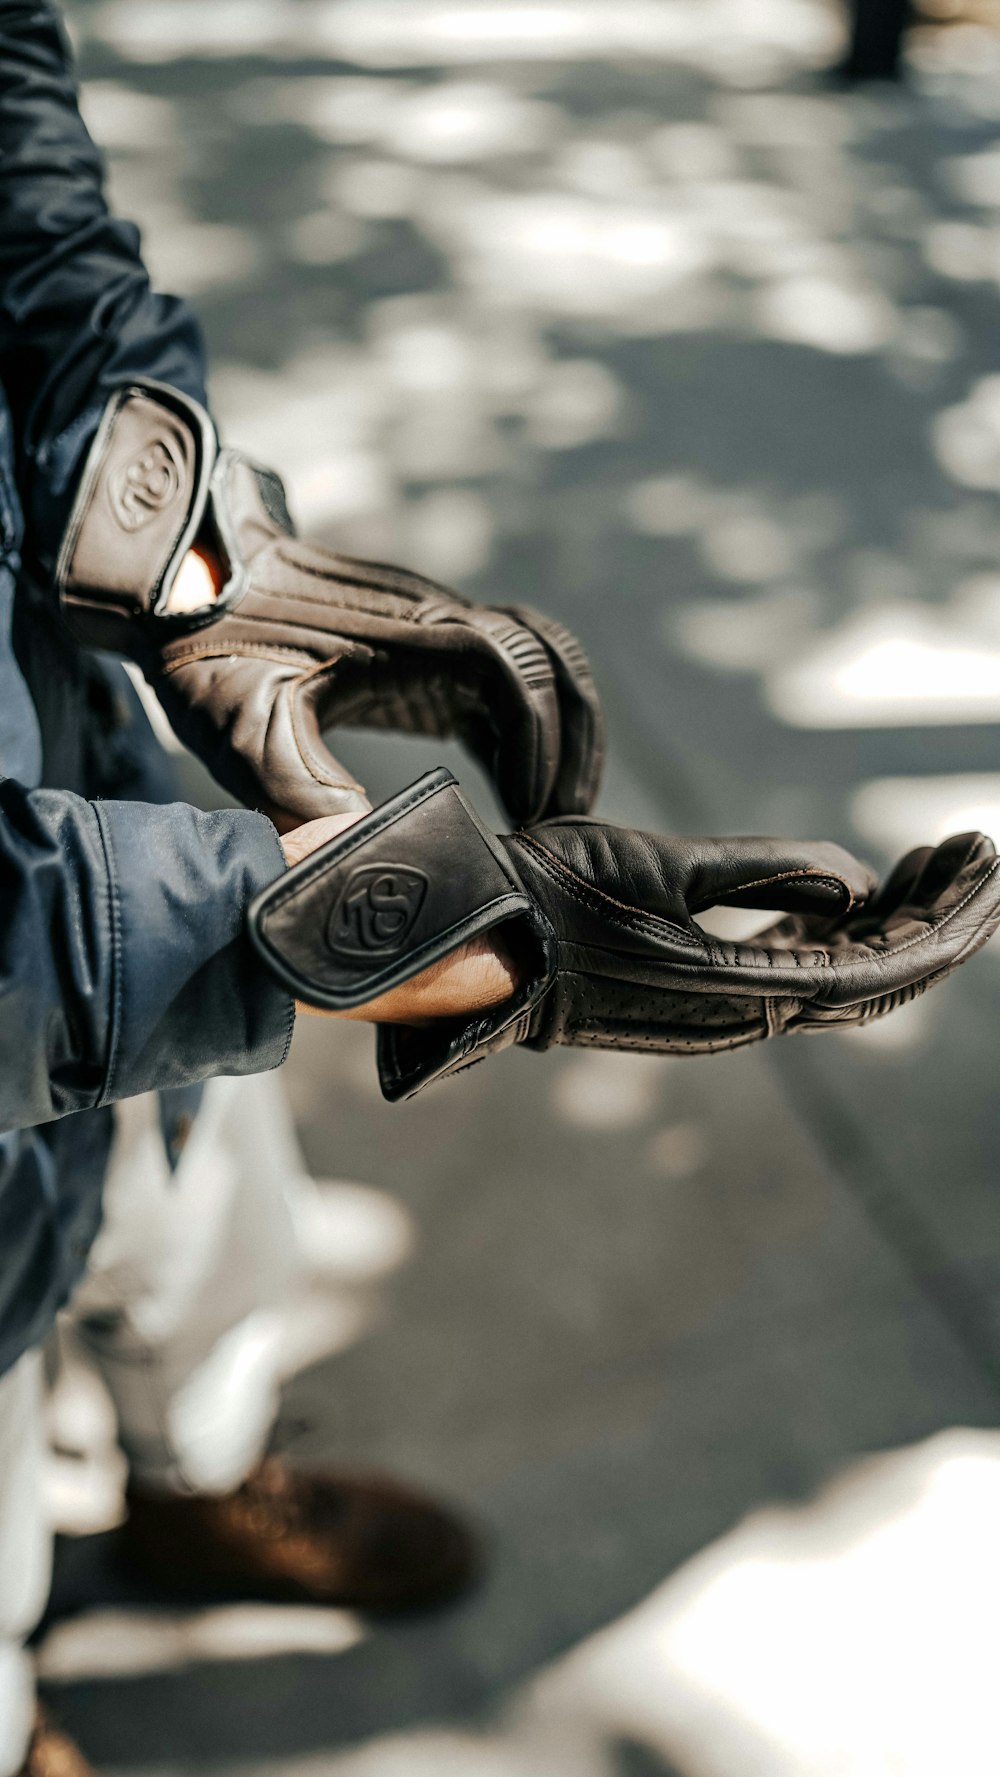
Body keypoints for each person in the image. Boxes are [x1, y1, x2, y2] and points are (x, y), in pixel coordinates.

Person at [4, 5, 1000, 1773]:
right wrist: (448, 937)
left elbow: (17, 140)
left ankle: (199, 1480)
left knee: (217, 1237)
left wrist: (185, 541)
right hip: (98, 963)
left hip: (96, 774)